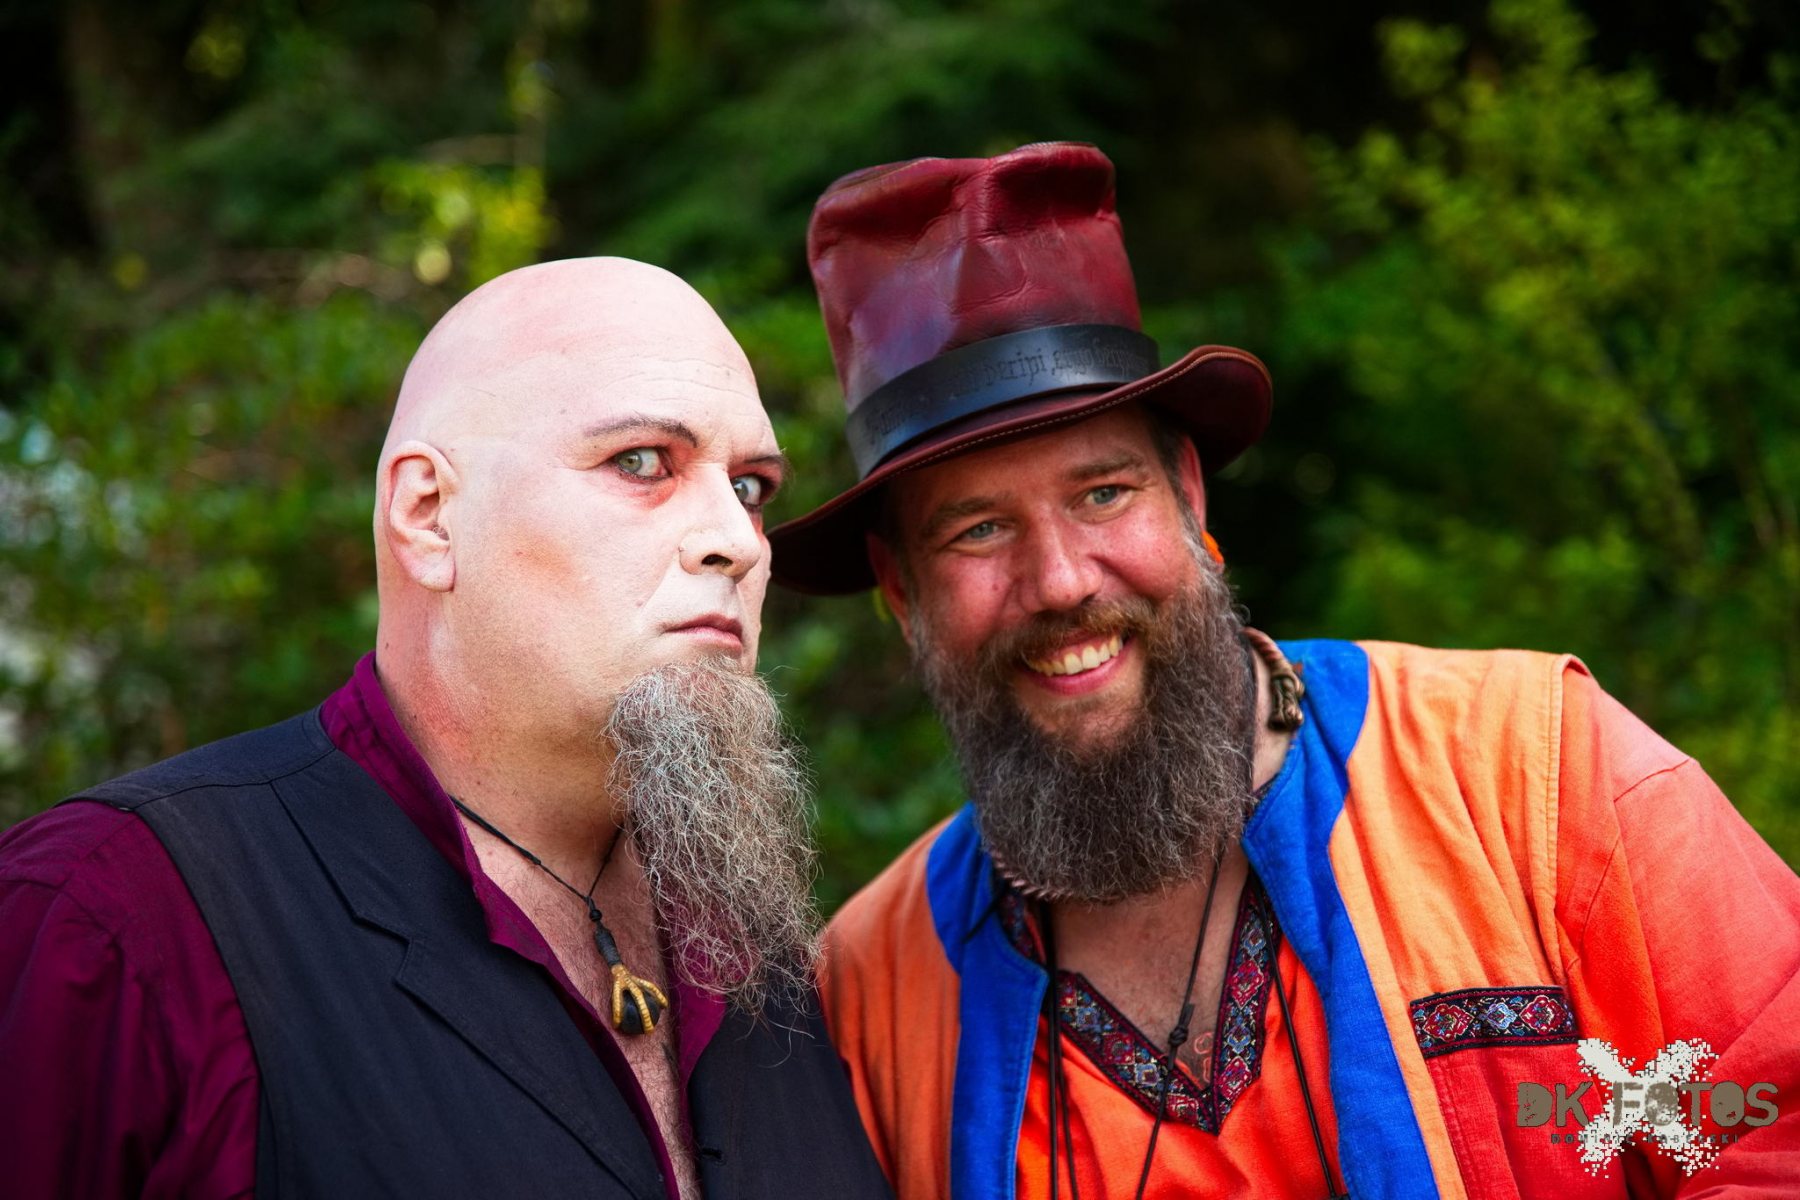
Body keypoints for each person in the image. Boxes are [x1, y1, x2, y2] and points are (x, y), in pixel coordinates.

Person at [767, 143, 1800, 1199]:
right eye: (979, 530)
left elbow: (1773, 1133)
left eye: (1103, 493)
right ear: (901, 591)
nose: (1062, 581)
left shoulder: (1534, 772)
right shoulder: (869, 996)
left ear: (1188, 495)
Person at [0, 257, 891, 1200]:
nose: (739, 540)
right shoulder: (111, 919)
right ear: (427, 515)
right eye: (641, 462)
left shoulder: (751, 948)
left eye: (750, 487)